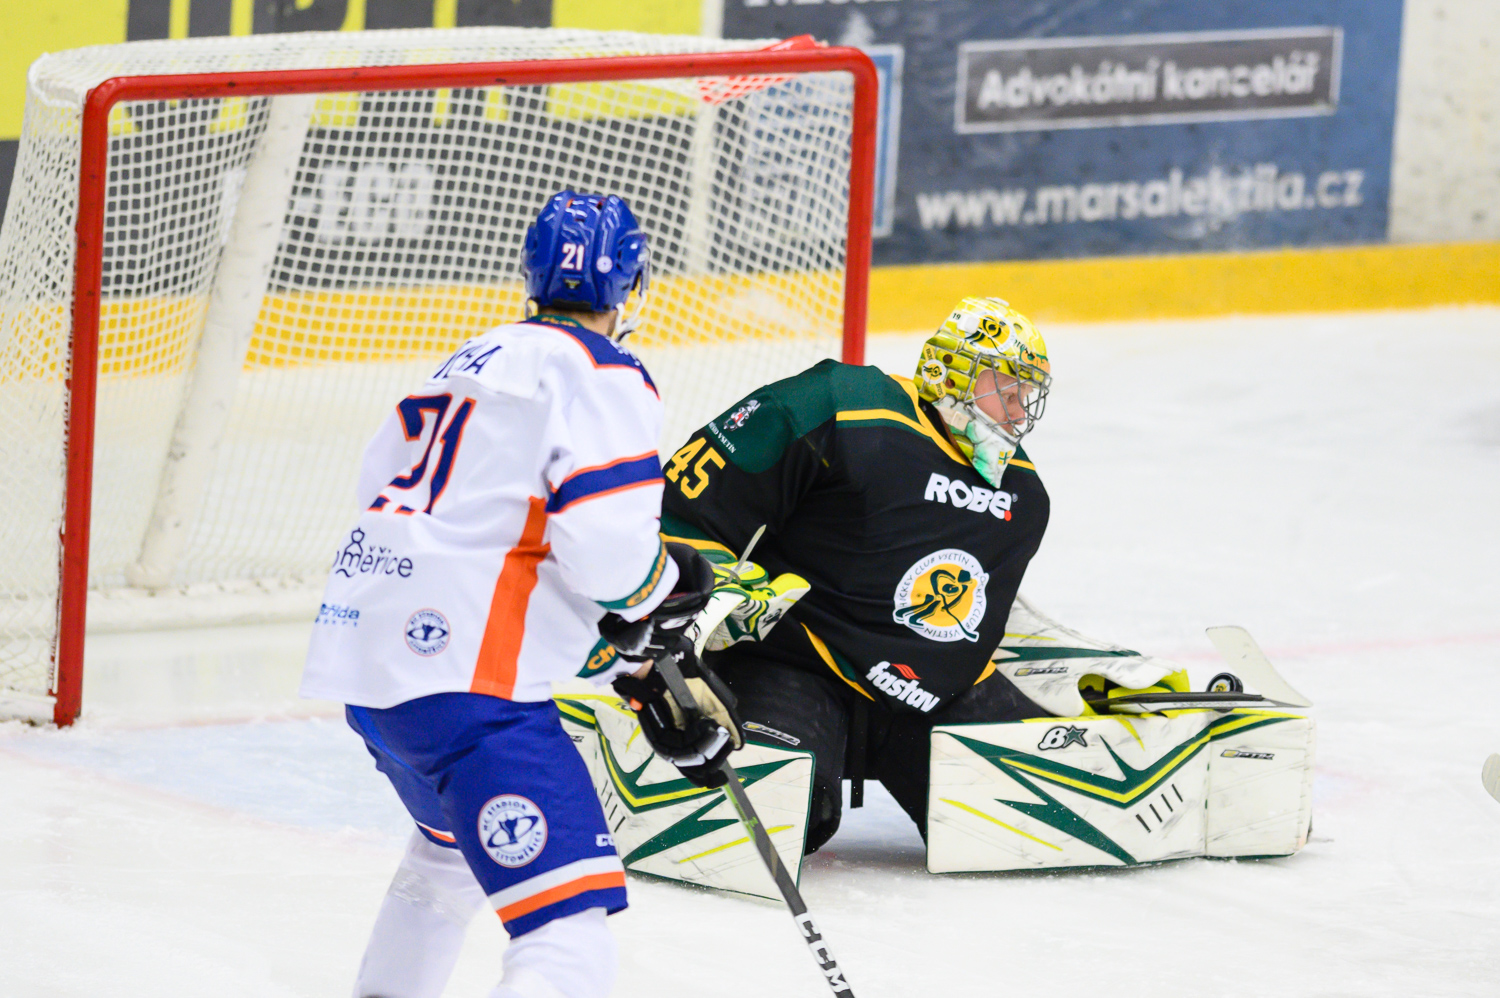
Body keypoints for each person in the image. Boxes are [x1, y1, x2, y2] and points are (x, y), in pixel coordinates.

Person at [301, 190, 735, 998]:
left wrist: (634, 669)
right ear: (633, 285)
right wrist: (663, 594)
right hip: (469, 691)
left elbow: (451, 527)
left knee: (445, 863)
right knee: (567, 932)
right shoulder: (602, 372)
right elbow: (606, 550)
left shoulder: (466, 362)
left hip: (371, 670)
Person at [661, 296, 1060, 853]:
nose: (1017, 413)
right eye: (1005, 388)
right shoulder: (843, 408)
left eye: (1025, 396)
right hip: (797, 661)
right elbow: (681, 506)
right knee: (785, 812)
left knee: (1032, 819)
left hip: (928, 693)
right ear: (948, 372)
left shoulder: (1025, 499)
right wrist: (725, 582)